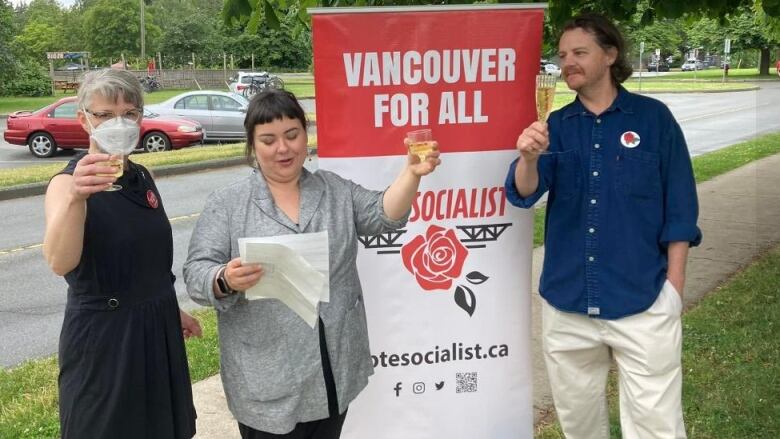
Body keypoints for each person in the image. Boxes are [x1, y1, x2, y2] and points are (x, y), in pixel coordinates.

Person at [183, 89, 440, 439]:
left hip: (331, 368)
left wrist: (412, 173)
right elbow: (197, 273)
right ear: (252, 146)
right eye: (268, 140)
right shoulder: (227, 204)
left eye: (292, 135)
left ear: (306, 136)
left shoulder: (334, 190)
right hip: (266, 378)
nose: (283, 148)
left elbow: (381, 217)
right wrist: (225, 278)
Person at [505, 14, 701, 438]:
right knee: (579, 425)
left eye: (579, 52)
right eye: (562, 56)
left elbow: (681, 208)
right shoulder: (555, 125)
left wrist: (674, 288)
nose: (567, 62)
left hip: (643, 298)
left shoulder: (654, 120)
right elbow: (524, 193)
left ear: (610, 55)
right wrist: (528, 158)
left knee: (657, 426)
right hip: (568, 301)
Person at [43, 68, 201, 439]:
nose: (119, 122)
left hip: (155, 327)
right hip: (106, 340)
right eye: (104, 114)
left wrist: (167, 306)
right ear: (84, 120)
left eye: (129, 113)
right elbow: (59, 261)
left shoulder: (141, 176)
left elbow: (144, 256)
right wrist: (77, 198)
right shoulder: (67, 184)